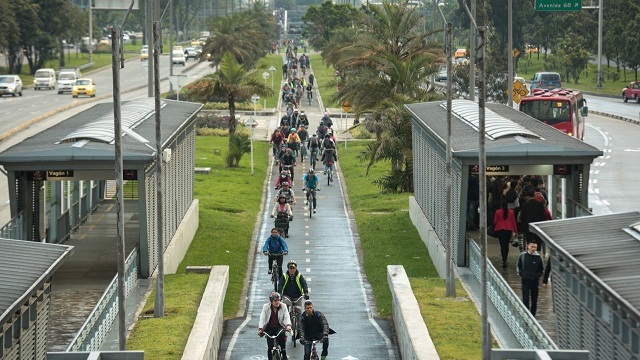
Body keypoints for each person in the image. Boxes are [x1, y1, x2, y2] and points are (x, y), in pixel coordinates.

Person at [258, 292, 292, 360]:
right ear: (271, 301)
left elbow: (287, 316)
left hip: (279, 327)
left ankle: (283, 352)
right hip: (269, 328)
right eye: (275, 301)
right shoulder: (266, 307)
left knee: (282, 335)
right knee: (270, 348)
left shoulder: (283, 306)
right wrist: (260, 328)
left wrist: (288, 325)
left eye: (278, 300)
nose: (277, 302)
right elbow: (262, 318)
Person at [517, 241, 544, 316]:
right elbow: (519, 266)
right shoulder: (523, 256)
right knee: (525, 299)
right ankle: (526, 315)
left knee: (534, 300)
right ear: (528, 246)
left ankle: (533, 315)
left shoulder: (538, 257)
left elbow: (541, 269)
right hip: (525, 281)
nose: (533, 249)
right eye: (532, 247)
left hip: (534, 282)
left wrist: (537, 276)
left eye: (535, 247)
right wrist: (522, 275)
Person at [279, 260, 309, 326]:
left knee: (298, 311)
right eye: (290, 268)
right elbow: (280, 284)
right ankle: (284, 322)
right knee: (285, 306)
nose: (292, 270)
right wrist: (280, 293)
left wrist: (305, 292)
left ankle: (299, 327)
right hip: (287, 295)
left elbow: (304, 284)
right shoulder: (284, 276)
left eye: (293, 268)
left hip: (297, 296)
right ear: (288, 269)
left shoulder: (299, 276)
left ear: (296, 269)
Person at [493, 200, 518, 269]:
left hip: (500, 230)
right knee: (506, 245)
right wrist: (516, 231)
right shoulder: (511, 212)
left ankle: (503, 259)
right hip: (508, 230)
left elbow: (495, 221)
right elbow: (513, 222)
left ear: (501, 205)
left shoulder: (497, 212)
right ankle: (505, 259)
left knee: (502, 245)